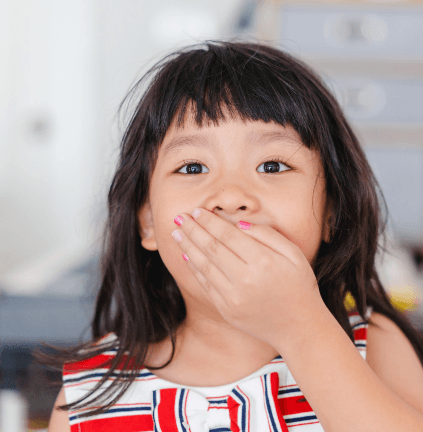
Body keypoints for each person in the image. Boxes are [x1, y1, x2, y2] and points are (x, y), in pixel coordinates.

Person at [45, 41, 423, 432]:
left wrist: (299, 326)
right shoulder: (88, 395)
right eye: (192, 168)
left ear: (331, 212)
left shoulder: (372, 344)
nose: (230, 196)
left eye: (273, 165)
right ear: (148, 223)